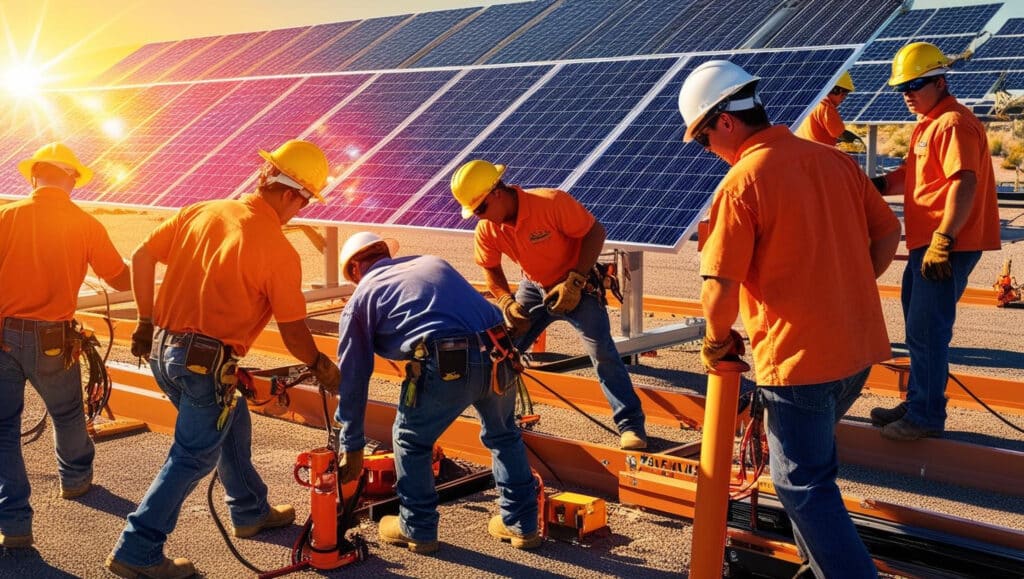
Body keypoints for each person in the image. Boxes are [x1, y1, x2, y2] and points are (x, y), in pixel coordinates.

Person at [678, 60, 901, 578]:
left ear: (725, 122)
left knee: (802, 484)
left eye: (704, 138)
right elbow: (888, 232)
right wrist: (850, 285)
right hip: (856, 349)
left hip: (800, 361)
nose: (708, 150)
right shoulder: (832, 162)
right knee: (814, 469)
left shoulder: (743, 182)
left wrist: (715, 342)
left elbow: (720, 286)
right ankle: (816, 564)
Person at [106, 140, 341, 579]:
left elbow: (140, 256)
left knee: (231, 421)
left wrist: (144, 318)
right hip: (205, 364)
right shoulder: (277, 249)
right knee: (193, 455)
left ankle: (250, 510)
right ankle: (137, 549)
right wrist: (322, 367)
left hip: (163, 350)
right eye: (304, 200)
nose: (301, 209)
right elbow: (293, 332)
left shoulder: (202, 210)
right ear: (292, 193)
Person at [333, 232, 540, 554]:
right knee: (504, 435)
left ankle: (417, 528)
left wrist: (352, 443)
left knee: (411, 441)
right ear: (386, 253)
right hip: (500, 351)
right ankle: (522, 525)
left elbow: (354, 377)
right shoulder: (433, 262)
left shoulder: (363, 296)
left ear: (355, 268)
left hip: (447, 363)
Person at [450, 160, 648, 451]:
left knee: (602, 352)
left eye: (480, 209)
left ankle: (631, 425)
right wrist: (506, 302)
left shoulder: (551, 202)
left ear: (496, 192)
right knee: (502, 350)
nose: (481, 217)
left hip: (577, 284)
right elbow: (490, 268)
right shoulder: (488, 229)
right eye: (476, 212)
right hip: (534, 288)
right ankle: (499, 425)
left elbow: (595, 232)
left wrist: (576, 281)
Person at [0, 143, 132, 549]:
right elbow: (120, 280)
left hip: (3, 336)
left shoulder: (6, 215)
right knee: (67, 412)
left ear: (34, 176)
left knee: (3, 428)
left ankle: (14, 524)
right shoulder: (85, 223)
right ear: (71, 179)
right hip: (54, 340)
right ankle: (75, 480)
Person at [869, 42, 1000, 441]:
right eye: (901, 88)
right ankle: (918, 400)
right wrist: (874, 186)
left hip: (947, 244)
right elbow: (911, 175)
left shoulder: (953, 124)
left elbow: (964, 181)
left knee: (928, 329)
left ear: (940, 82)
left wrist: (945, 237)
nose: (907, 94)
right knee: (917, 327)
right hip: (929, 242)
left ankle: (926, 415)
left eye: (915, 85)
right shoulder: (929, 123)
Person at [795, 71, 860, 146]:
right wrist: (856, 140)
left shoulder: (810, 103)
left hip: (805, 151)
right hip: (820, 154)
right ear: (834, 90)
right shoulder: (826, 107)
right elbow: (839, 133)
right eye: (844, 94)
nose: (844, 98)